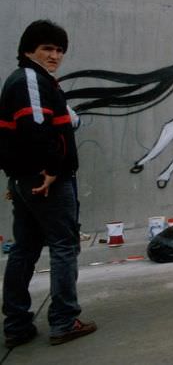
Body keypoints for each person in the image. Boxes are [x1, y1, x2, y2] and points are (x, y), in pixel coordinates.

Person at [1, 20, 97, 347]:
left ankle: (16, 325)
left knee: (24, 249)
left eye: (59, 50)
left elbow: (65, 120)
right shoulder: (29, 79)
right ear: (29, 50)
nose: (55, 55)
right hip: (47, 182)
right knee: (64, 245)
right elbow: (35, 129)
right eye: (47, 49)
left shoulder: (39, 81)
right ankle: (64, 321)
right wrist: (52, 169)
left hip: (29, 179)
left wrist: (15, 177)